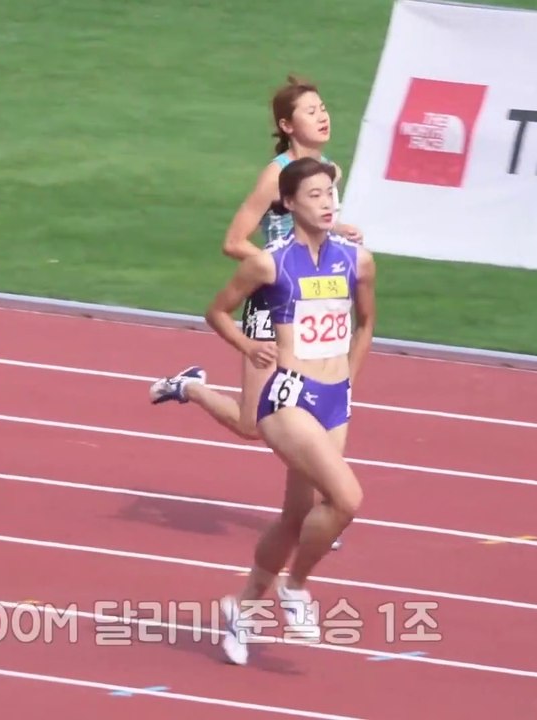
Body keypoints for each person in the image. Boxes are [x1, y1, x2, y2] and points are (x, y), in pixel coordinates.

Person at [149, 75, 361, 552]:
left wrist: (341, 230)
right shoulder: (276, 175)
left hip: (311, 306)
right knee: (252, 425)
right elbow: (233, 241)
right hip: (271, 303)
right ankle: (192, 387)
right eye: (310, 110)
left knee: (309, 407)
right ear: (287, 125)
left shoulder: (330, 171)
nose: (323, 116)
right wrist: (275, 266)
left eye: (323, 107)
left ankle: (322, 508)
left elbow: (317, 228)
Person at [202, 157, 375, 665]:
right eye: (315, 195)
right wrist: (246, 346)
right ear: (290, 203)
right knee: (347, 498)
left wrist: (348, 383)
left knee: (297, 516)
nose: (327, 203)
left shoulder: (357, 261)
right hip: (288, 395)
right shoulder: (269, 262)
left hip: (333, 398)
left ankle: (242, 606)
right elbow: (216, 311)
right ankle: (295, 587)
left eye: (330, 194)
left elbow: (366, 325)